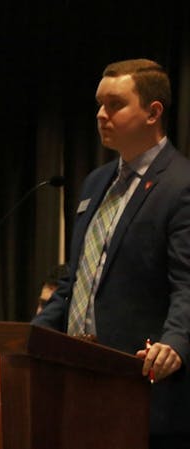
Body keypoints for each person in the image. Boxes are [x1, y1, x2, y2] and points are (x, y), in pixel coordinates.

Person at [33, 59, 190, 448]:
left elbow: (187, 283)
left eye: (115, 104)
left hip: (141, 388)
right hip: (76, 385)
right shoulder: (96, 182)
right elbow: (75, 281)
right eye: (100, 105)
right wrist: (29, 338)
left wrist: (176, 343)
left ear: (153, 112)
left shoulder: (181, 185)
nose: (101, 115)